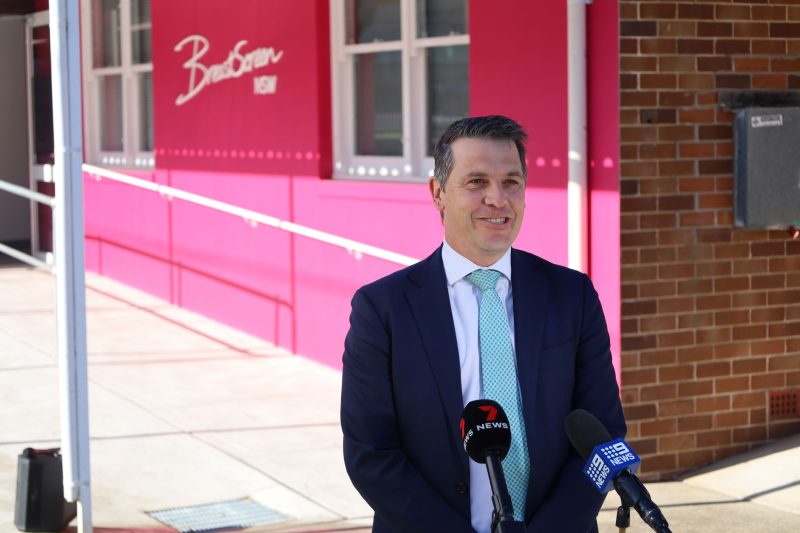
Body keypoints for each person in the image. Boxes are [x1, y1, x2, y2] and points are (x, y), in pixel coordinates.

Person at [341, 115, 626, 532]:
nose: (498, 198)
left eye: (511, 181)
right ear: (438, 193)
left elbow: (602, 433)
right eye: (476, 182)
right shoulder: (382, 308)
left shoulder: (571, 295)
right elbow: (371, 453)